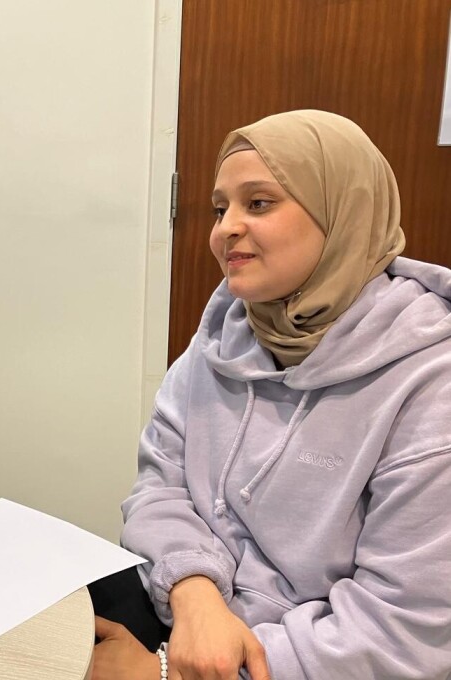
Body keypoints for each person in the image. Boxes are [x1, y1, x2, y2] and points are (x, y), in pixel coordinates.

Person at [89, 110, 451, 680]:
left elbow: (401, 636)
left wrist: (164, 674)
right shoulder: (226, 335)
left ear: (342, 215)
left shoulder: (429, 383)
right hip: (186, 608)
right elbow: (160, 484)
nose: (225, 227)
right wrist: (193, 593)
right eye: (220, 207)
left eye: (258, 203)